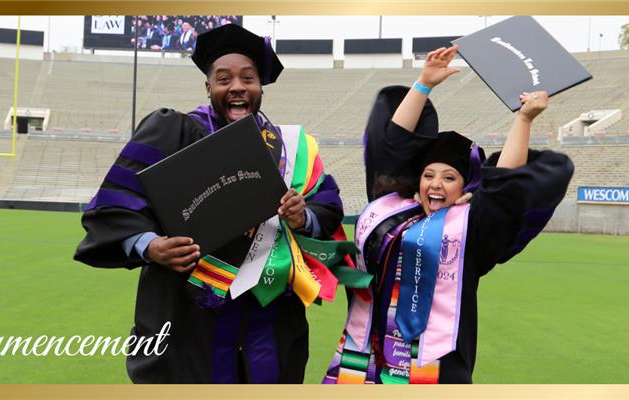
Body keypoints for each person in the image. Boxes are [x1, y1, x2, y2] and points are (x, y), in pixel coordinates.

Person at [75, 24, 347, 384]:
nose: (237, 86)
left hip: (269, 320)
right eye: (224, 79)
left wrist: (303, 217)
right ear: (208, 88)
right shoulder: (174, 132)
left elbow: (327, 206)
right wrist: (150, 246)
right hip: (189, 317)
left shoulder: (292, 149)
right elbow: (113, 206)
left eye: (247, 78)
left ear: (259, 87)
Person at [323, 45, 574, 384]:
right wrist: (424, 84)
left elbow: (505, 188)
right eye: (428, 175)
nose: (436, 184)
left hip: (437, 371)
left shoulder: (469, 229)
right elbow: (390, 150)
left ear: (464, 186)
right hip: (370, 362)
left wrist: (523, 118)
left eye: (449, 177)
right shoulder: (390, 214)